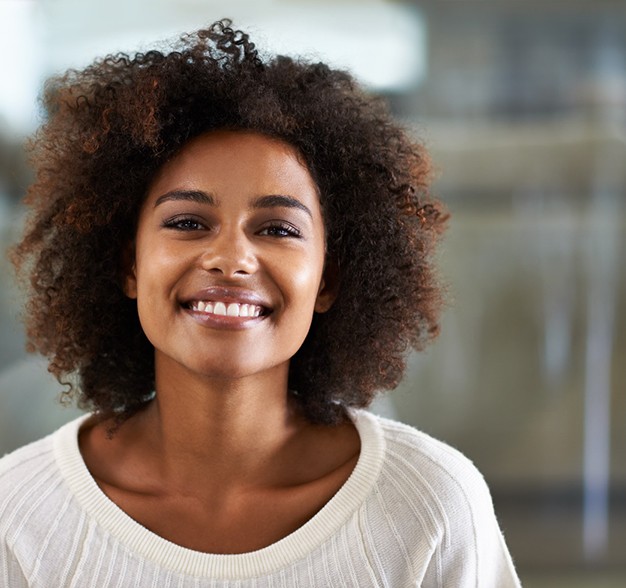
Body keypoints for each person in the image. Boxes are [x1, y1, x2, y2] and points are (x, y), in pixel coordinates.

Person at [0, 20, 522, 587]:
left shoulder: (432, 506)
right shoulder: (19, 516)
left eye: (276, 228)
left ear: (328, 280)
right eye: (187, 222)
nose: (231, 259)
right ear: (128, 265)